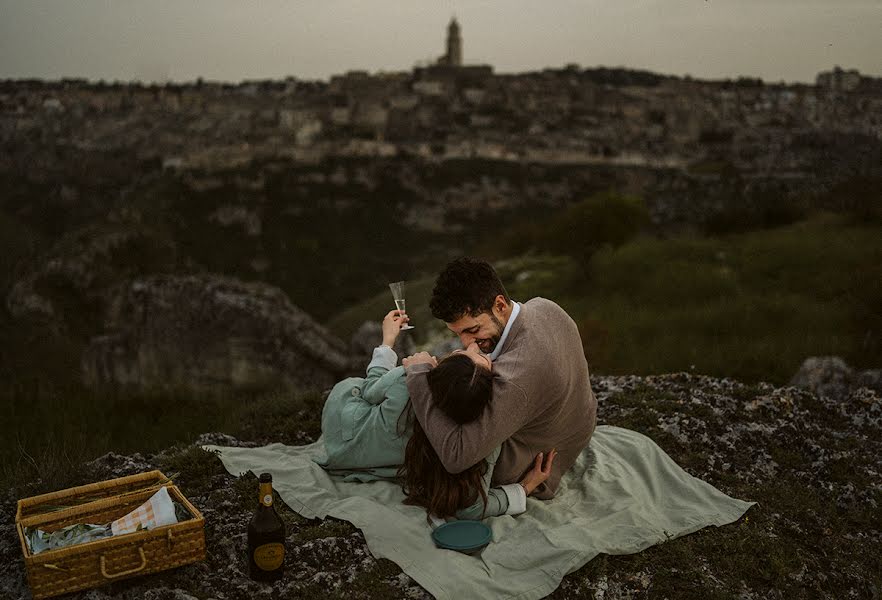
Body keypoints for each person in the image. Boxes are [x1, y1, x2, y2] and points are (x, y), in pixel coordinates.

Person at [317, 309, 555, 520]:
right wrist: (524, 488)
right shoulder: (481, 435)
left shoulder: (406, 382)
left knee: (364, 389)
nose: (472, 345)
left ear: (443, 370)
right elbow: (470, 508)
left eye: (470, 354)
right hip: (353, 458)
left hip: (341, 420)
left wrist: (388, 341)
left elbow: (370, 389)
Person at [403, 258, 597, 500]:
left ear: (500, 305)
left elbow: (456, 457)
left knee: (412, 411)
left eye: (472, 330)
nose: (467, 343)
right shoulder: (545, 306)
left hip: (527, 464)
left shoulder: (514, 377)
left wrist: (418, 378)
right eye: (458, 334)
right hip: (570, 430)